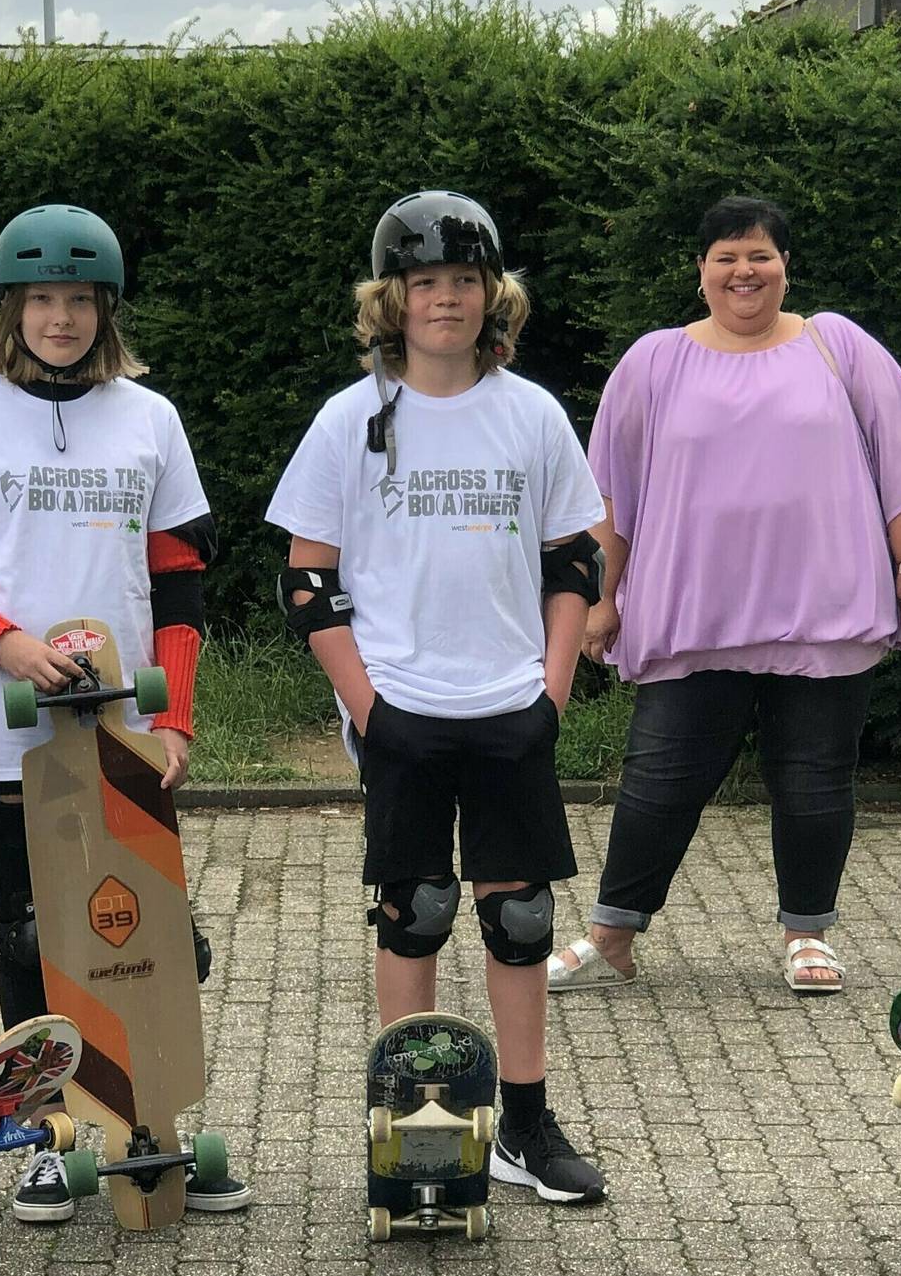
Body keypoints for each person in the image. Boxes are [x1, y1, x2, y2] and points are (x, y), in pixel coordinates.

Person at [0, 204, 250, 1220]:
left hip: (123, 722)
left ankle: (148, 1130)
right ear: (12, 308)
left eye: (78, 299)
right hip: (3, 719)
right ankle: (47, 1134)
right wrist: (5, 641)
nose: (60, 317)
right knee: (34, 933)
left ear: (106, 308)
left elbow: (178, 580)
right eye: (41, 299)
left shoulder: (149, 416)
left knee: (133, 924)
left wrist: (175, 719)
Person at [268, 189, 608, 1204]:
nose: (447, 300)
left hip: (511, 699)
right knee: (413, 909)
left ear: (491, 294)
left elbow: (574, 562)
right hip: (402, 703)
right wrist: (368, 709)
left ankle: (526, 1123)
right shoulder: (352, 416)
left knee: (521, 915)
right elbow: (306, 577)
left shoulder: (532, 411)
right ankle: (414, 1124)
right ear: (394, 299)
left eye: (465, 281)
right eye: (426, 283)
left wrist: (552, 690)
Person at [546, 195, 901, 996]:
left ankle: (809, 934)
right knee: (660, 777)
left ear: (785, 267)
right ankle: (612, 936)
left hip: (824, 610)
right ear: (700, 272)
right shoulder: (654, 362)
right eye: (727, 256)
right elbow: (611, 497)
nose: (745, 271)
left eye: (760, 255)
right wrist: (601, 598)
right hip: (693, 613)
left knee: (813, 779)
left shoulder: (838, 345)